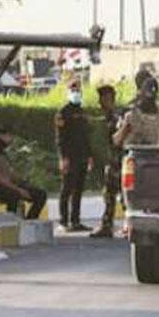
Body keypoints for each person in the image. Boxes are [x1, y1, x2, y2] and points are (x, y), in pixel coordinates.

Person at [0, 125, 47, 219]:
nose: (10, 138)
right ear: (0, 136)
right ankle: (12, 221)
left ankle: (30, 220)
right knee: (14, 196)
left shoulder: (2, 153)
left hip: (10, 185)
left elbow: (9, 173)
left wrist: (22, 182)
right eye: (8, 135)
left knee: (40, 194)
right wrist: (18, 190)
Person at [55, 78, 93, 232]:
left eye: (78, 90)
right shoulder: (63, 113)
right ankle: (64, 221)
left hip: (82, 156)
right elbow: (60, 138)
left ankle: (75, 221)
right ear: (68, 91)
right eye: (73, 89)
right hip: (70, 157)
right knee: (67, 189)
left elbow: (86, 137)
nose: (76, 92)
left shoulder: (82, 112)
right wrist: (63, 158)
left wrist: (90, 156)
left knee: (78, 190)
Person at [89, 82, 122, 238]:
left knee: (118, 194)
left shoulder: (117, 116)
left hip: (119, 161)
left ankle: (112, 225)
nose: (99, 102)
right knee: (110, 194)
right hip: (114, 160)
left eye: (102, 98)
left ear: (109, 99)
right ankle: (107, 225)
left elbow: (119, 139)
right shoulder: (110, 115)